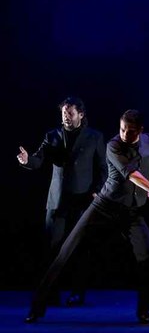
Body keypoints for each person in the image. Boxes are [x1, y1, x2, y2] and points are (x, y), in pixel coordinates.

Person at [25, 109, 149, 324]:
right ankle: (37, 308)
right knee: (66, 252)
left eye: (131, 131)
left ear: (141, 130)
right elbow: (133, 175)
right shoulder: (113, 145)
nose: (125, 134)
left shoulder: (148, 140)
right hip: (105, 206)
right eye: (122, 129)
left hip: (131, 212)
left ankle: (145, 309)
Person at [17, 97, 107, 307]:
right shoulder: (52, 136)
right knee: (52, 248)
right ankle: (51, 292)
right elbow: (38, 159)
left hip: (83, 200)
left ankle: (77, 292)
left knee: (78, 248)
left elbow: (103, 168)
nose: (66, 117)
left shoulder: (94, 137)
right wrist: (27, 160)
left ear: (81, 115)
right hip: (57, 201)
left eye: (70, 113)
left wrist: (96, 191)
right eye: (64, 113)